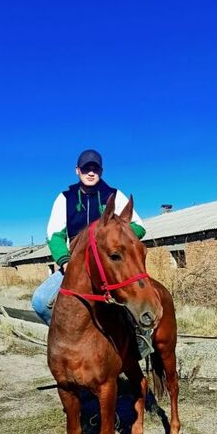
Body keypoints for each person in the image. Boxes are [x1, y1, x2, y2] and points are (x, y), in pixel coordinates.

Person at [32, 149, 153, 357]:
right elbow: (54, 235)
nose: (90, 172)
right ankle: (65, 340)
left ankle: (137, 343)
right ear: (77, 171)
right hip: (76, 265)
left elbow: (139, 226)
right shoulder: (65, 198)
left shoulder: (114, 195)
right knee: (40, 301)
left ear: (101, 171)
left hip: (110, 264)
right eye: (86, 168)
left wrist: (113, 237)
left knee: (135, 299)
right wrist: (65, 261)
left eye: (95, 168)